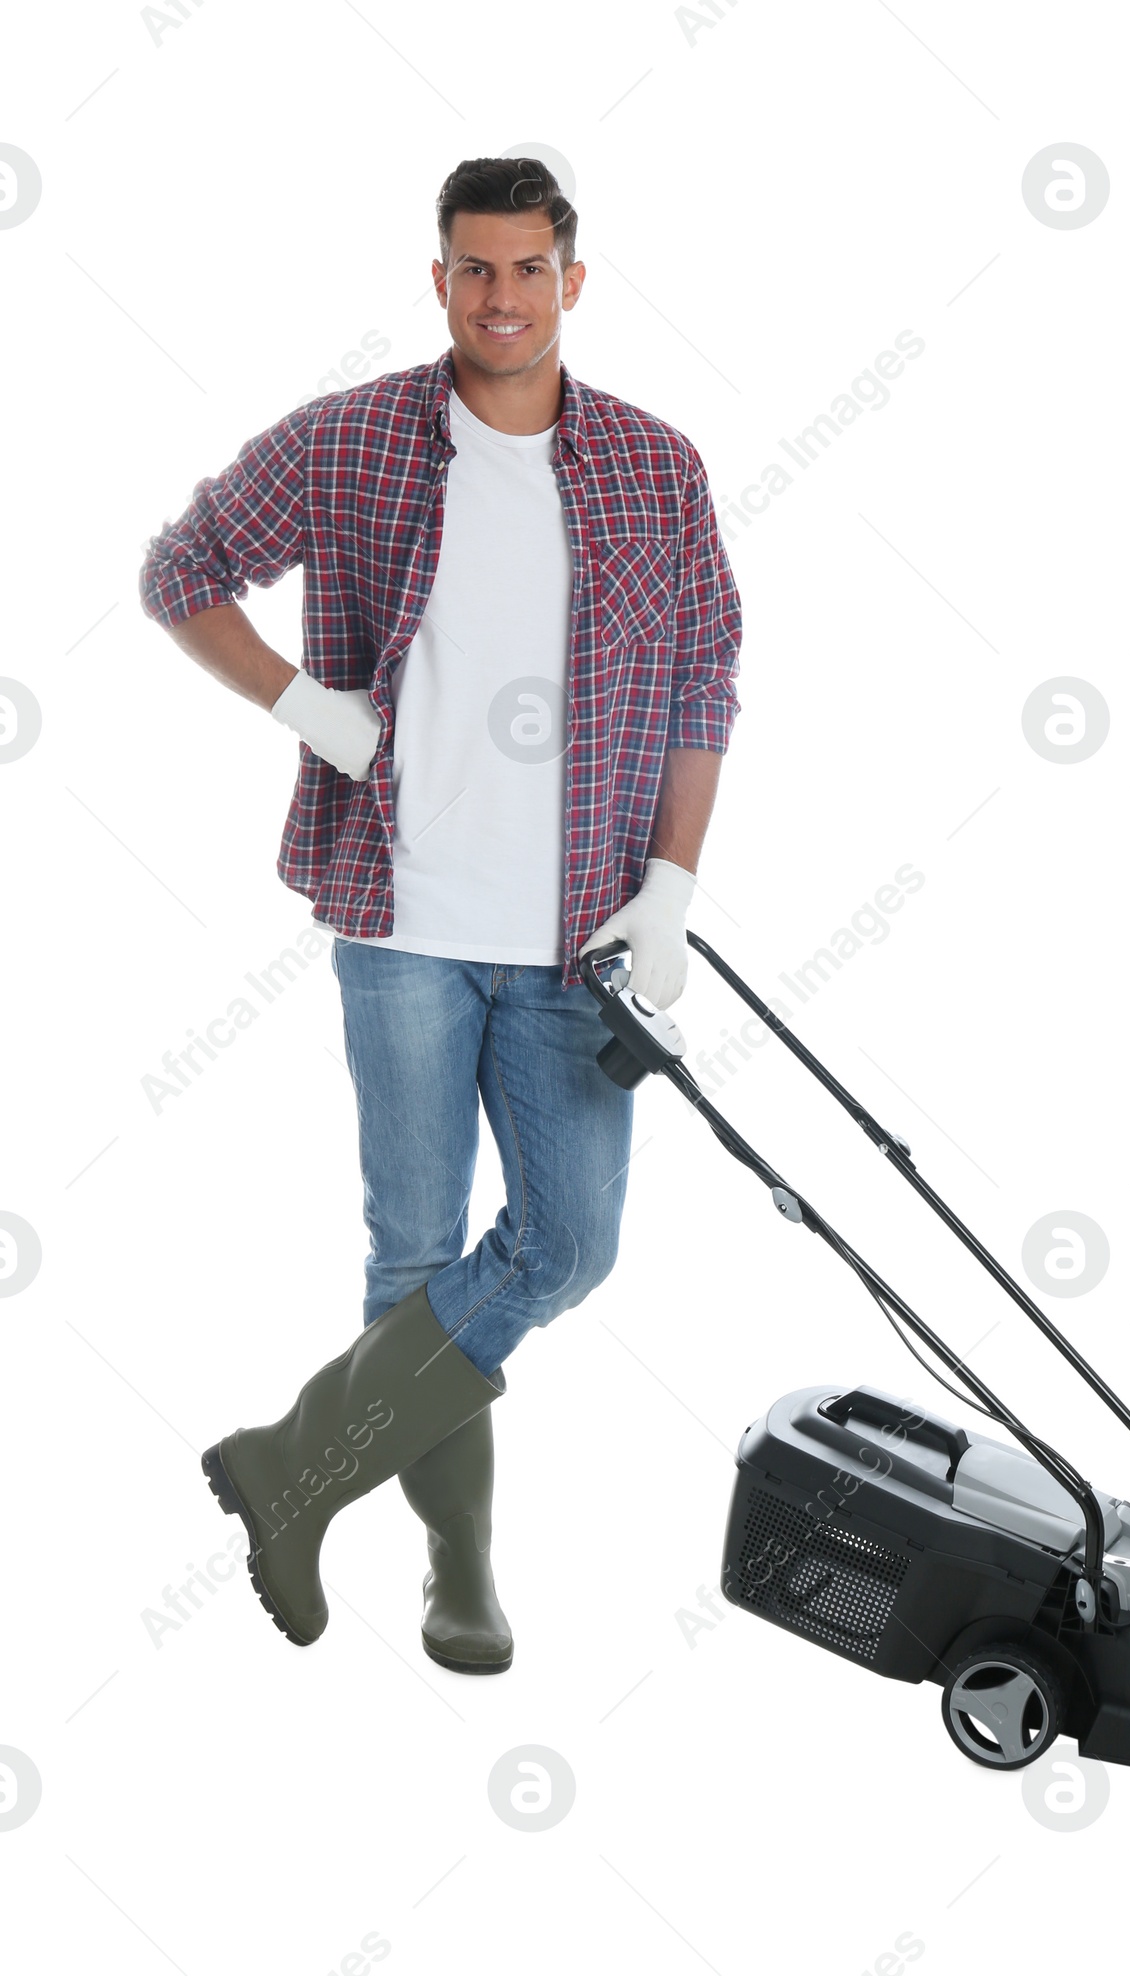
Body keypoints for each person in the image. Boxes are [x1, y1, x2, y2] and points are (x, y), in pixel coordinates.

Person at [138, 156, 741, 1673]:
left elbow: (702, 682)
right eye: (475, 270)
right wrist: (311, 711)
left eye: (529, 269)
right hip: (400, 924)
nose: (502, 297)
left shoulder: (655, 467)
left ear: (573, 283)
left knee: (566, 1246)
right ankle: (458, 1570)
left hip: (574, 945)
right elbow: (182, 569)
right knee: (411, 1254)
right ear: (440, 282)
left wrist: (670, 885)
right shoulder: (355, 442)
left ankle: (294, 1461)